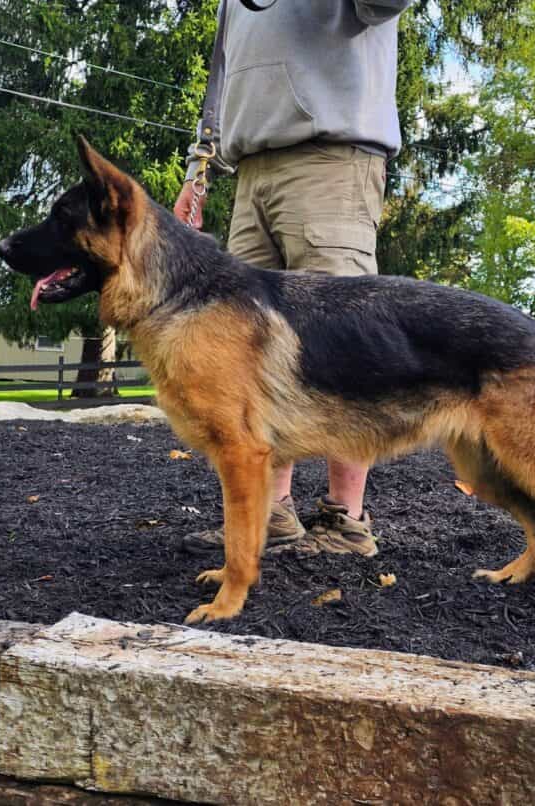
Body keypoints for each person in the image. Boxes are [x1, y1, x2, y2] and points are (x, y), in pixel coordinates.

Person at [174, 0, 411, 557]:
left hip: (330, 158)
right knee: (249, 356)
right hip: (249, 169)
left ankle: (345, 523)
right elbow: (222, 82)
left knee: (344, 343)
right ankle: (270, 513)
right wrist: (200, 167)